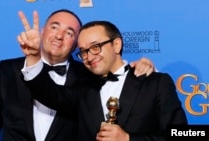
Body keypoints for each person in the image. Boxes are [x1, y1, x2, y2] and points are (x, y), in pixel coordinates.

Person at [0, 9, 155, 141]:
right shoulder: (7, 70)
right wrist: (32, 58)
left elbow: (116, 73)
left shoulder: (89, 75)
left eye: (70, 33)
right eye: (54, 27)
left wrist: (137, 69)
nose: (60, 36)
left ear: (77, 44)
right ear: (43, 31)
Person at [24, 20, 188, 141]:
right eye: (83, 52)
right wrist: (33, 57)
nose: (89, 57)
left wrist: (128, 139)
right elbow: (48, 93)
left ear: (116, 45)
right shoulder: (83, 87)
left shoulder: (156, 83)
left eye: (96, 47)